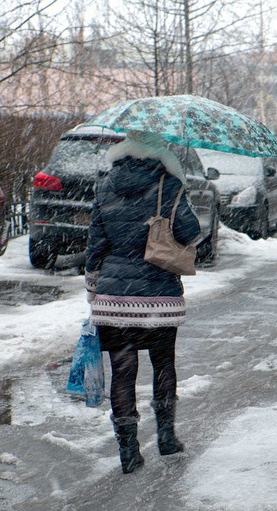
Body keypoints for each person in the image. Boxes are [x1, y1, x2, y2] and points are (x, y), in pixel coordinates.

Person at [84, 130, 201, 474]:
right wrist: (181, 197)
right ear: (159, 150)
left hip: (114, 298)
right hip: (158, 295)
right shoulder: (169, 184)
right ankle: (166, 436)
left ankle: (129, 451)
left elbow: (96, 243)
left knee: (123, 372)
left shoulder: (105, 186)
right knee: (163, 363)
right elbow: (191, 232)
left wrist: (94, 287)